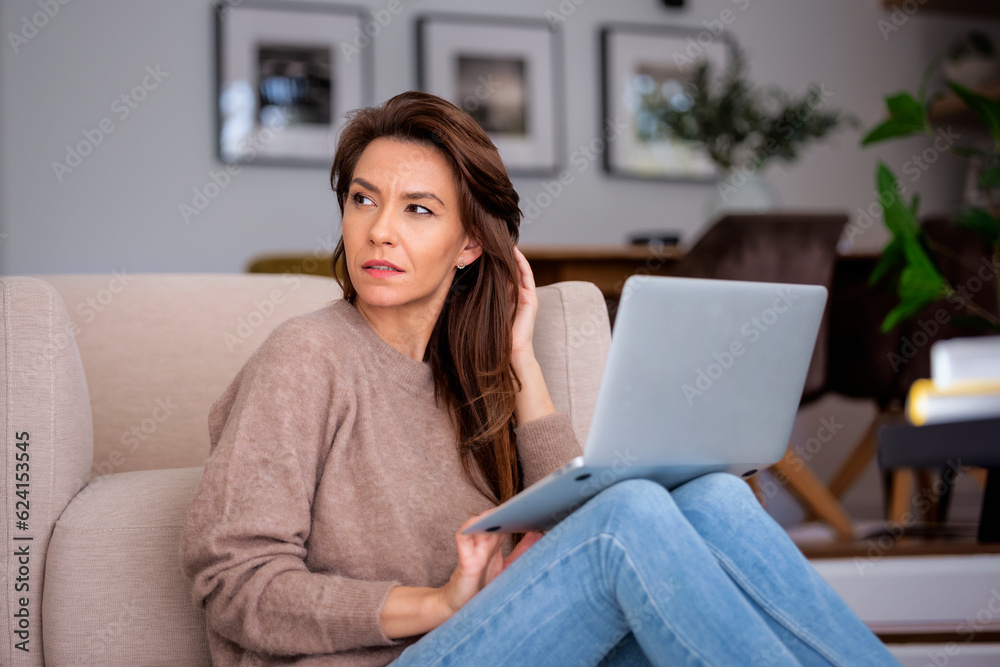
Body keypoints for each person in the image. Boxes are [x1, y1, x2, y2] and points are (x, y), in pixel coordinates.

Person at [179, 90, 900, 667]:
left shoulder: (463, 376)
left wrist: (519, 359)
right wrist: (435, 603)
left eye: (417, 209)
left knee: (714, 497)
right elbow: (233, 583)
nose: (379, 230)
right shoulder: (305, 356)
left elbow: (572, 531)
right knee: (630, 516)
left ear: (469, 244)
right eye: (363, 199)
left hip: (493, 642)